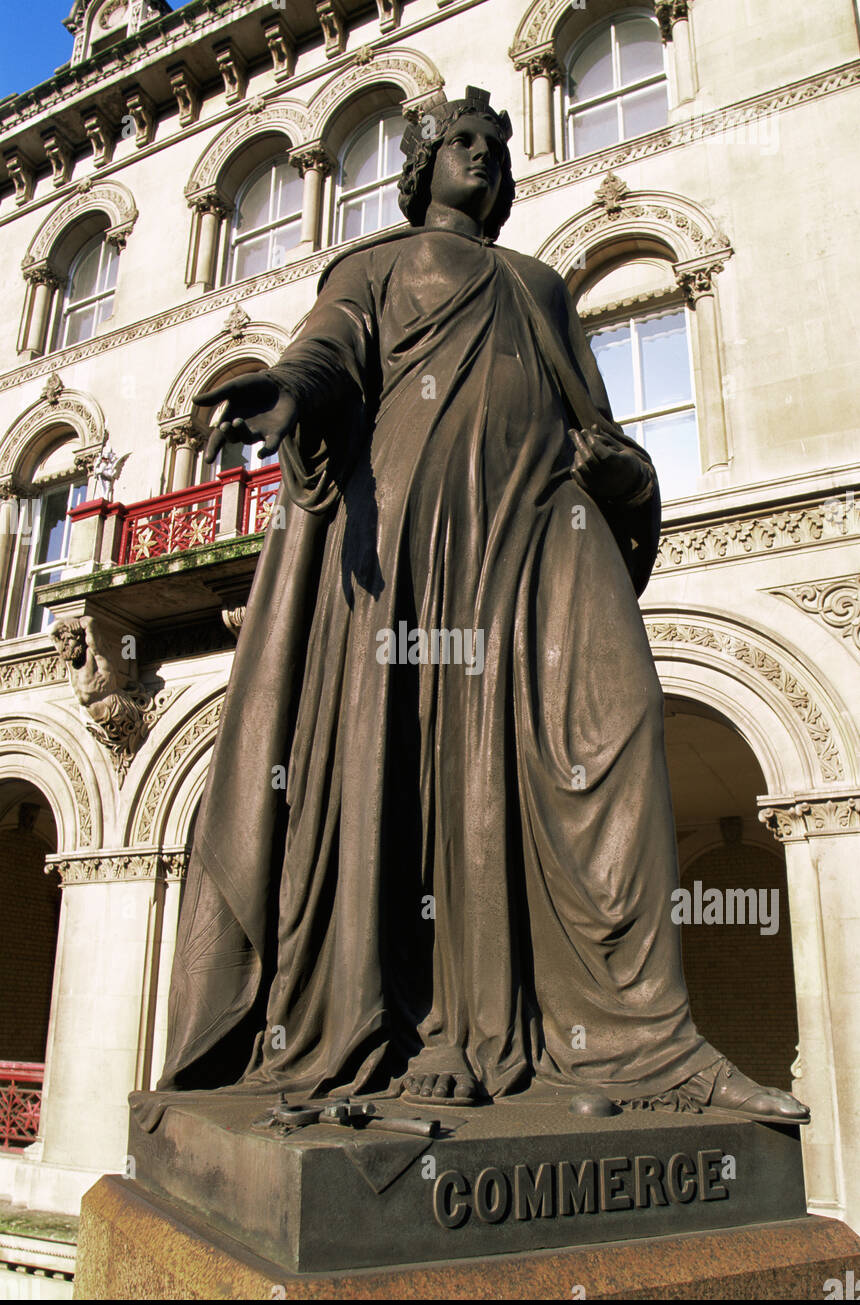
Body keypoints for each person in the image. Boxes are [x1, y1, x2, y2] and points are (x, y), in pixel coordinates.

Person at [150, 89, 807, 1126]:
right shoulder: (371, 265)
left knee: (618, 724)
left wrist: (623, 474)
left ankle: (642, 1038)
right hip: (410, 547)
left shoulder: (537, 286)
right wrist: (290, 388)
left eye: (497, 149)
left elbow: (597, 423)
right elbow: (328, 349)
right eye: (462, 144)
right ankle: (428, 1028)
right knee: (414, 766)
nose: (485, 161)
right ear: (418, 167)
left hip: (542, 531)